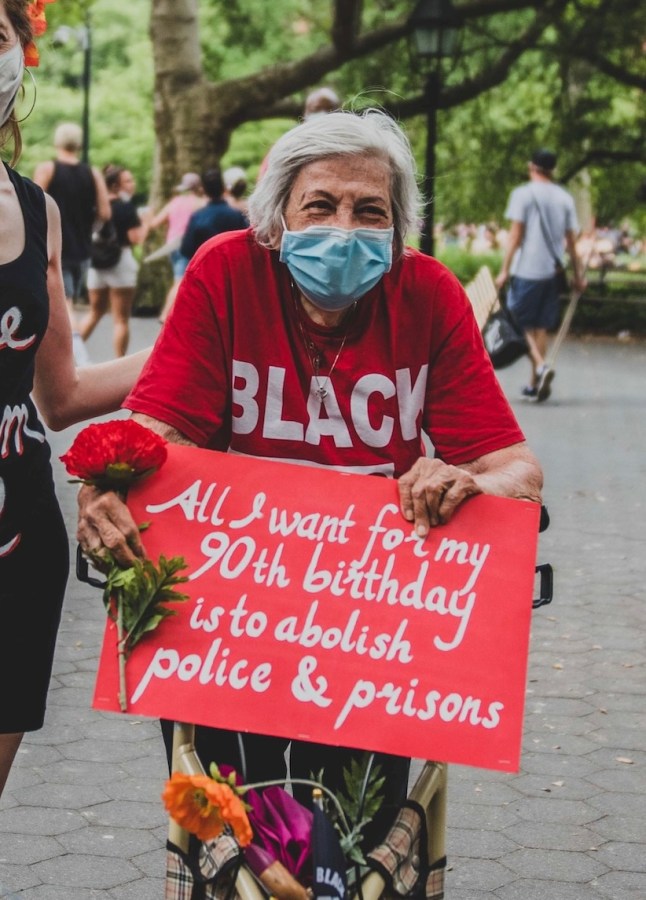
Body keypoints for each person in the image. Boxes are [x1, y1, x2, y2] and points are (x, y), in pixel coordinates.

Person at [76, 109, 543, 849]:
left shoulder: (430, 295)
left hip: (373, 626)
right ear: (275, 219)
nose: (343, 229)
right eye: (320, 206)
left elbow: (516, 469)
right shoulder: (224, 272)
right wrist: (106, 483)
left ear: (397, 231)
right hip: (228, 614)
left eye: (370, 212)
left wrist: (467, 482)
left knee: (360, 833)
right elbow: (161, 427)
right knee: (230, 833)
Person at [0, 0, 150, 799]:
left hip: (17, 539)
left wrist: (194, 343)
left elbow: (59, 397)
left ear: (23, 54)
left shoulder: (39, 211)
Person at [495, 148, 586, 402]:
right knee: (540, 326)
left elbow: (515, 236)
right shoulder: (565, 198)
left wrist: (503, 270)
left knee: (517, 321)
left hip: (526, 271)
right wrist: (578, 275)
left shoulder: (522, 195)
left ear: (531, 166)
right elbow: (571, 242)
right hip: (552, 272)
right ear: (553, 170)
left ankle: (541, 365)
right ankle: (535, 382)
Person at [32, 121, 111, 365]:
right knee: (68, 305)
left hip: (54, 248)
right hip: (83, 251)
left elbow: (33, 204)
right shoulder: (92, 173)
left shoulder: (48, 169)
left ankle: (79, 362)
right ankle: (62, 363)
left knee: (63, 309)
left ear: (57, 141)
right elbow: (105, 212)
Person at [79, 164, 148, 357]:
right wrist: (147, 223)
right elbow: (136, 239)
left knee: (94, 312)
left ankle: (72, 353)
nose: (132, 184)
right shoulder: (125, 208)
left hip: (96, 264)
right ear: (116, 185)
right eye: (128, 180)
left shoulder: (92, 206)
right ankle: (119, 361)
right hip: (121, 264)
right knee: (121, 319)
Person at [145, 171, 206, 324]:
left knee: (180, 277)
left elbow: (154, 223)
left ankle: (179, 314)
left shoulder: (174, 202)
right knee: (180, 280)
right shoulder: (200, 203)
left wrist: (149, 214)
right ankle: (165, 314)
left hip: (171, 246)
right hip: (187, 244)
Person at [179, 166, 248, 261]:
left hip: (208, 269)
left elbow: (186, 250)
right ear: (224, 188)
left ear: (203, 190)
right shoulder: (237, 215)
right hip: (233, 266)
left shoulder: (197, 218)